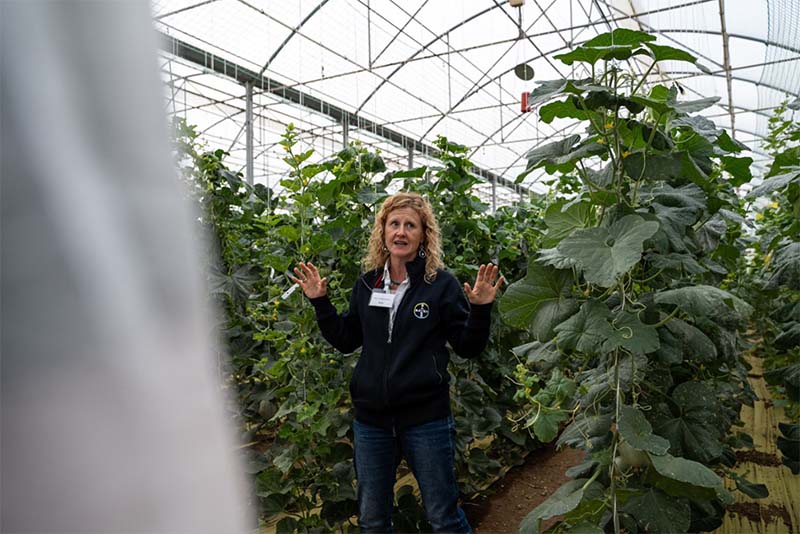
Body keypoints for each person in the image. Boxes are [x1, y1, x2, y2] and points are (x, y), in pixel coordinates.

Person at [292, 192, 503, 533]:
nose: (401, 232)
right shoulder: (367, 284)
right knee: (373, 521)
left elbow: (467, 347)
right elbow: (346, 339)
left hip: (426, 420)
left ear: (424, 235)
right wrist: (321, 303)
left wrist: (480, 310)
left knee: (443, 518)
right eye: (394, 224)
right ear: (383, 232)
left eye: (410, 225)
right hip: (372, 422)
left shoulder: (441, 286)